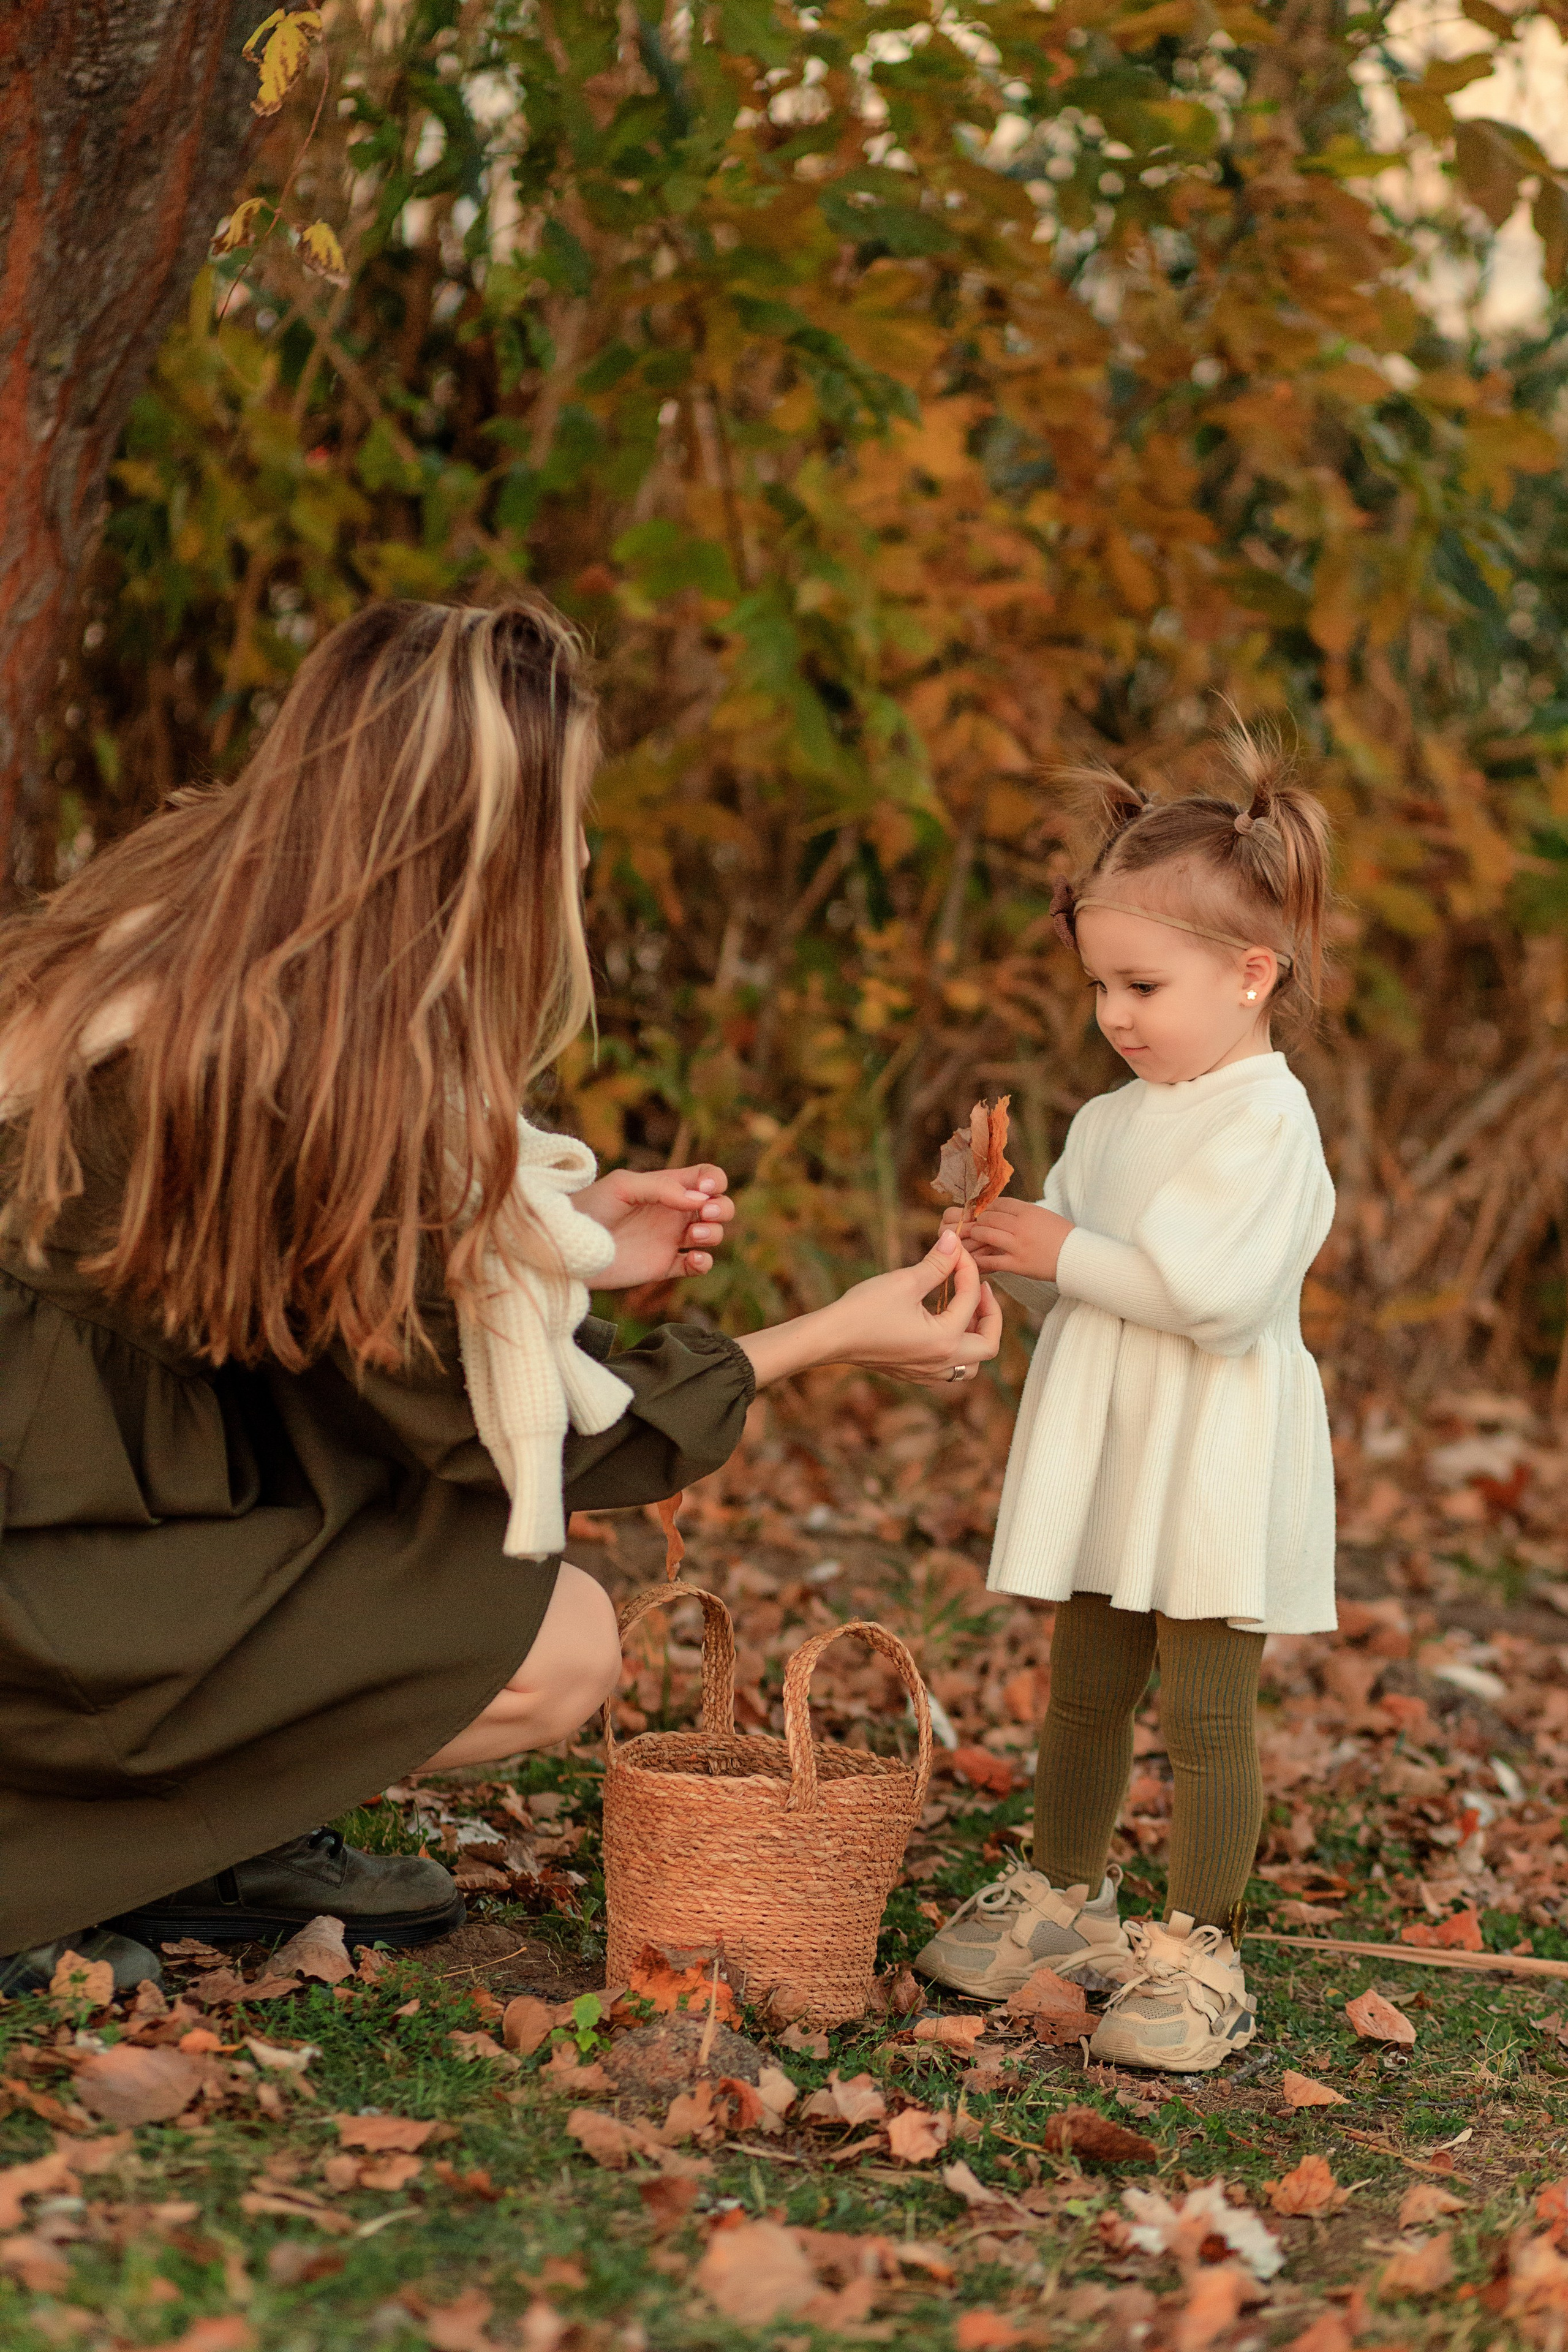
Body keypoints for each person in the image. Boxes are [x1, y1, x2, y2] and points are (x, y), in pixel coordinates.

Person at [0, 599, 1000, 1996]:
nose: (578, 856)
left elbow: (318, 1296)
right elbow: (491, 1432)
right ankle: (69, 1848)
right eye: (563, 822)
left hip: (99, 1507)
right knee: (559, 1641)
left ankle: (205, 1843)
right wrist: (825, 1338)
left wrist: (560, 1231)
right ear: (472, 838)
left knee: (442, 1546)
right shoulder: (291, 1061)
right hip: (48, 1569)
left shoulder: (210, 929)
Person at [916, 733, 1336, 2072]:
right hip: (1114, 1443)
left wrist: (1065, 1254)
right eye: (1099, 983)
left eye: (1142, 984)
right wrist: (999, 1238)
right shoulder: (1111, 1116)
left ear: (1249, 975)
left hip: (1209, 1450)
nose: (1113, 1012)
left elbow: (1209, 1295)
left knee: (1206, 1710)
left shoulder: (1265, 1121)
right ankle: (1061, 1895)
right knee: (1084, 1683)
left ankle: (1199, 1946)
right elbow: (1079, 1283)